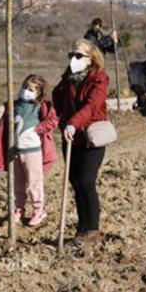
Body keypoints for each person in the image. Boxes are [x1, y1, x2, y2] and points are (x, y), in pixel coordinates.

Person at [55, 39, 111, 245]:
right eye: (71, 55)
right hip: (71, 138)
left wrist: (73, 123)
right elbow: (59, 102)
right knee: (76, 182)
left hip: (91, 138)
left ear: (90, 59)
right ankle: (81, 228)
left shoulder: (100, 79)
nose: (74, 59)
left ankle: (92, 229)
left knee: (87, 181)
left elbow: (92, 106)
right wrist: (64, 81)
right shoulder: (69, 79)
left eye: (78, 56)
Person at [0, 74, 57, 226]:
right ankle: (19, 208)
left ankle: (38, 209)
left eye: (31, 89)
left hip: (32, 151)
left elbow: (52, 121)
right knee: (18, 182)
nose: (26, 91)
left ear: (38, 93)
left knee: (34, 182)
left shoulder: (40, 106)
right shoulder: (14, 105)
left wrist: (37, 129)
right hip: (16, 151)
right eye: (25, 87)